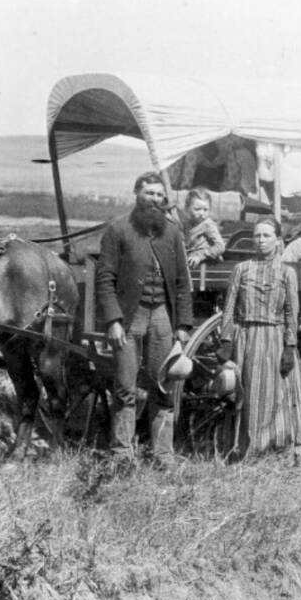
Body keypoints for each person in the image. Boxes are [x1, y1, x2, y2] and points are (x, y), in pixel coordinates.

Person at [96, 172, 194, 466]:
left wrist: (183, 326)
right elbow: (104, 279)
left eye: (159, 195)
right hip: (130, 318)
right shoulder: (118, 230)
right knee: (126, 388)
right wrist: (113, 320)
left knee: (163, 387)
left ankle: (163, 454)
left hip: (162, 317)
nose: (155, 199)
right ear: (136, 193)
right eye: (149, 193)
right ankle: (121, 454)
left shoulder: (172, 232)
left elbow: (181, 282)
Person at [217, 216, 301, 459]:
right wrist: (226, 341)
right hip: (247, 338)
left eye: (267, 236)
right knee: (249, 394)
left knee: (277, 394)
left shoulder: (287, 273)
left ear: (278, 241)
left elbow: (291, 312)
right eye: (257, 236)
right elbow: (229, 308)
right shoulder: (241, 269)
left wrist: (290, 346)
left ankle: (278, 447)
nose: (261, 241)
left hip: (275, 339)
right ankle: (246, 449)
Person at [183, 186, 226, 268]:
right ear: (187, 208)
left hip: (205, 263)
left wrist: (201, 256)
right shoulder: (187, 223)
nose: (201, 213)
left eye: (205, 209)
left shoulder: (207, 224)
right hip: (189, 259)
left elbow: (220, 246)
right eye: (197, 209)